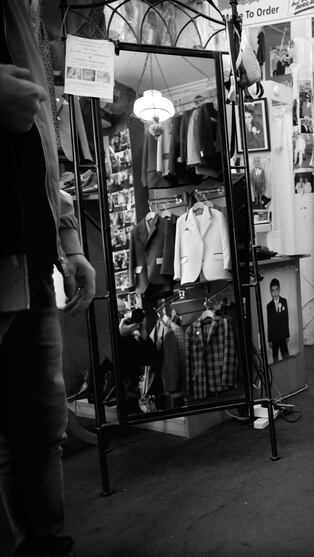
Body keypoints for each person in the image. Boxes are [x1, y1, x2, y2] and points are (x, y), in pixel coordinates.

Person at [0, 1, 97, 556]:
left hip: (31, 262)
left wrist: (67, 240)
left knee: (40, 427)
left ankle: (46, 544)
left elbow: (42, 144)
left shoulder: (24, 15)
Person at [266, 279, 290, 361]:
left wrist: (287, 334)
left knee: (286, 355)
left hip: (283, 334)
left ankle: (287, 368)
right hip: (274, 336)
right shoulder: (269, 306)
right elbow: (269, 323)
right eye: (273, 290)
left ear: (279, 289)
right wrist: (270, 339)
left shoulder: (284, 301)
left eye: (276, 290)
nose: (275, 293)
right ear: (270, 292)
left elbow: (286, 318)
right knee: (275, 357)